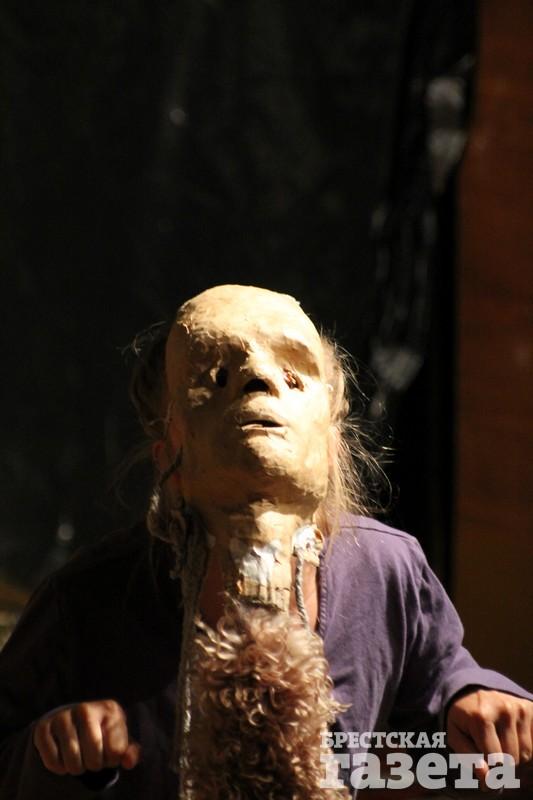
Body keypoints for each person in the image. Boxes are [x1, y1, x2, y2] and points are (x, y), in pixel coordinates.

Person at [0, 284, 531, 800]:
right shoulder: (86, 601)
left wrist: (475, 700)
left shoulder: (386, 570)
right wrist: (52, 749)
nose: (257, 378)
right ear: (168, 454)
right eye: (217, 377)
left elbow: (441, 691)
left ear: (331, 445)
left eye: (293, 377)